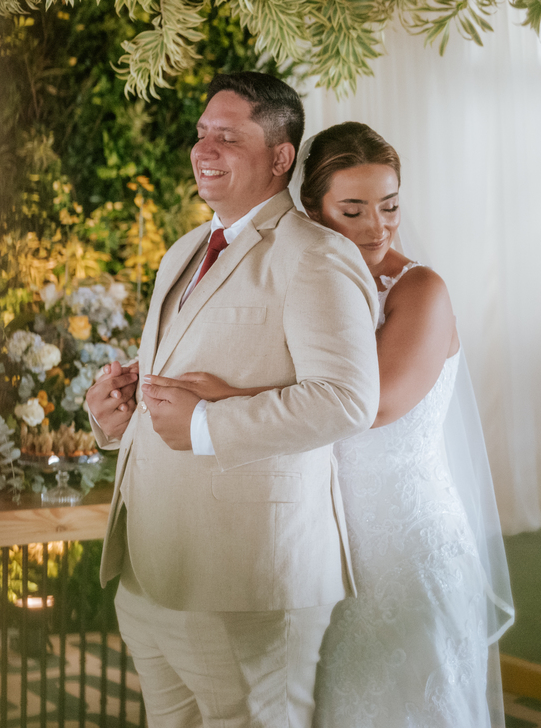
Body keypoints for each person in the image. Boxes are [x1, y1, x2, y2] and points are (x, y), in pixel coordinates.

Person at [148, 122, 514, 727]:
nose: (378, 226)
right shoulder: (305, 281)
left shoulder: (421, 290)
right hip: (320, 540)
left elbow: (373, 405)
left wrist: (227, 398)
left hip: (402, 542)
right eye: (354, 210)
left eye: (389, 205)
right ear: (314, 212)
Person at [84, 74, 380, 728]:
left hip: (248, 577)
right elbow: (182, 380)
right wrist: (118, 414)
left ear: (280, 156)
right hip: (152, 570)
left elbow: (347, 399)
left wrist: (206, 425)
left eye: (228, 136)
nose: (204, 149)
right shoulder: (184, 250)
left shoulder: (315, 255)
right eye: (201, 134)